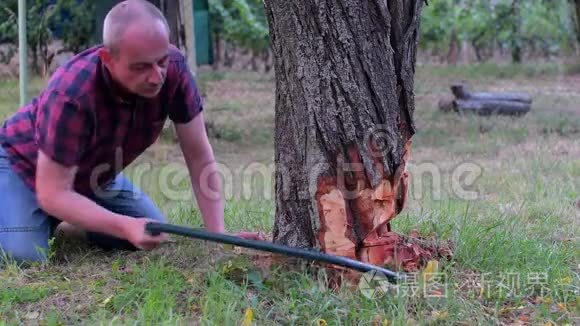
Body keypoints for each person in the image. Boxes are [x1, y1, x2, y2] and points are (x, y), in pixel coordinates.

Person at [0, 0, 263, 263]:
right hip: (21, 166)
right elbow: (52, 192)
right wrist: (124, 225)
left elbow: (199, 156)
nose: (156, 76)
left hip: (93, 175)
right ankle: (28, 216)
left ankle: (68, 223)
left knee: (151, 233)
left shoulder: (175, 71)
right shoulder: (71, 94)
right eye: (140, 67)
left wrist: (218, 237)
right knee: (25, 255)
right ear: (107, 59)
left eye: (161, 61)